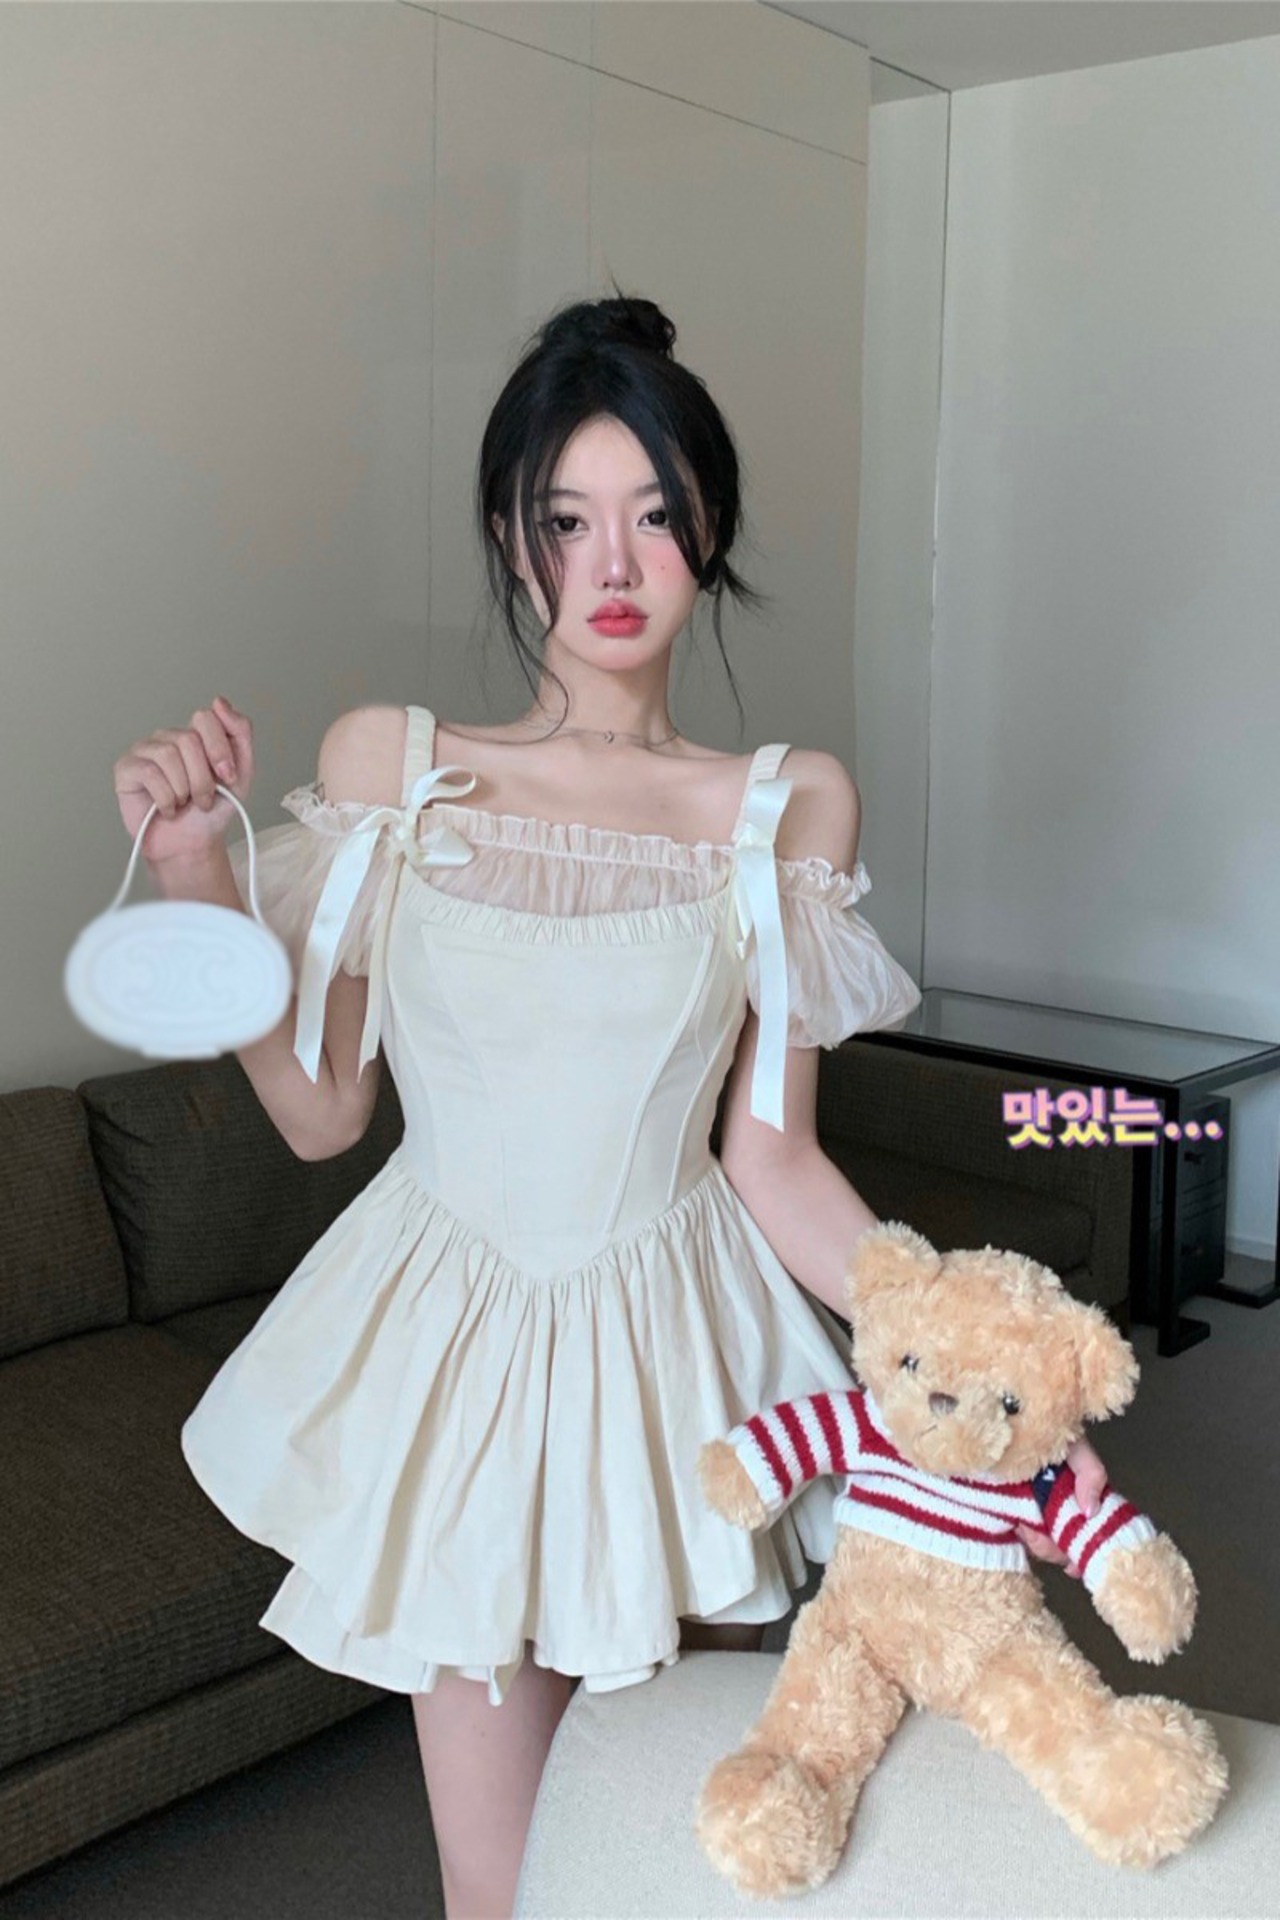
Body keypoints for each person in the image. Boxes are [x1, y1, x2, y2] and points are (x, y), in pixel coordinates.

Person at [113, 289, 1109, 1920]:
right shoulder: (392, 765)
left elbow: (771, 1156)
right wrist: (195, 877)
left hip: (681, 1358)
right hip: (459, 1357)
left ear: (708, 531)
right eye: (567, 520)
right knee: (500, 1888)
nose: (614, 563)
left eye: (655, 514)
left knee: (677, 1855)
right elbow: (319, 1113)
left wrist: (961, 1342)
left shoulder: (782, 807)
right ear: (515, 546)